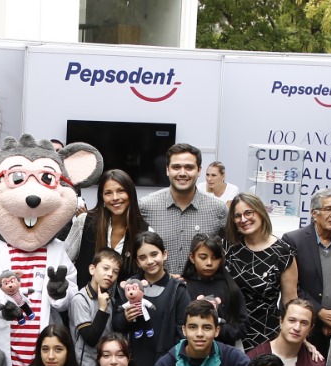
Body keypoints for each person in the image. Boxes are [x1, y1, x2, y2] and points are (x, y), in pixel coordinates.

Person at [282, 189, 331, 348]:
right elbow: (292, 286)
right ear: (314, 213)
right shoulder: (293, 241)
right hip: (304, 327)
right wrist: (319, 313)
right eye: (328, 209)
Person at [223, 193, 298, 347]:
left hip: (265, 334)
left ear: (261, 212)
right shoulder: (228, 247)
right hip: (228, 331)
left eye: (248, 212)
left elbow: (290, 303)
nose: (243, 219)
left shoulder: (283, 252)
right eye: (237, 216)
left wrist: (299, 339)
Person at [138, 143, 227, 272]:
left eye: (189, 167)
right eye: (176, 167)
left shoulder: (218, 209)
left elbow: (229, 251)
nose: (182, 173)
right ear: (167, 170)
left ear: (199, 170)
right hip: (158, 290)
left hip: (201, 290)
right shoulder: (146, 206)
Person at [110, 232, 188, 366]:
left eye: (154, 254)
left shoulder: (178, 289)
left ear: (164, 254)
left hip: (169, 364)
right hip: (133, 363)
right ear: (137, 262)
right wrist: (125, 318)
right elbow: (115, 325)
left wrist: (175, 361)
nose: (150, 261)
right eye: (142, 257)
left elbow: (184, 331)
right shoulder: (128, 287)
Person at [69, 169, 147, 283]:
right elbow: (64, 261)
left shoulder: (144, 231)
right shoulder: (84, 221)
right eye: (108, 193)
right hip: (83, 298)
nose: (115, 197)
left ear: (131, 194)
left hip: (125, 300)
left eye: (121, 191)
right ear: (102, 198)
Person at [182, 234, 246, 346]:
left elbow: (242, 326)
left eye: (215, 258)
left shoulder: (230, 287)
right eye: (203, 257)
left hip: (224, 353)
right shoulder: (184, 287)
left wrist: (218, 330)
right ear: (192, 257)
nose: (209, 263)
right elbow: (176, 325)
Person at [69, 247, 122, 366]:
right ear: (92, 269)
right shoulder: (80, 300)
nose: (110, 274)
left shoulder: (112, 301)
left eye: (115, 272)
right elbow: (90, 338)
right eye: (106, 268)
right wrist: (102, 309)